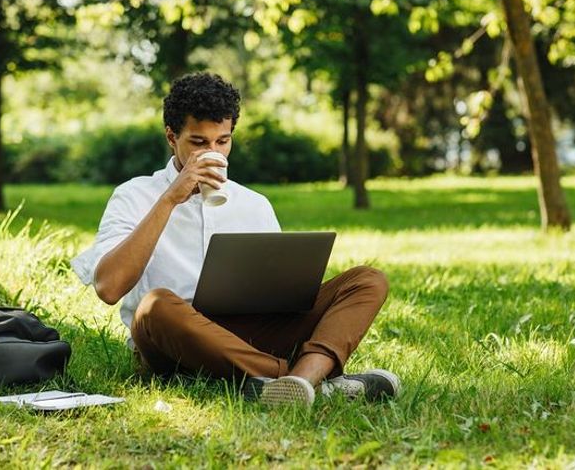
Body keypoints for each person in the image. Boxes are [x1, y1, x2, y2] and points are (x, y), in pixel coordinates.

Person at [71, 72, 399, 406]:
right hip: (173, 341)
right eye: (198, 142)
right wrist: (170, 198)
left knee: (367, 280)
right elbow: (109, 287)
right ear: (172, 137)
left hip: (251, 335)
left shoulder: (254, 204)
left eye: (222, 141)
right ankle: (306, 379)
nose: (213, 152)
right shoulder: (134, 195)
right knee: (155, 305)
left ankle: (300, 383)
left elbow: (280, 295)